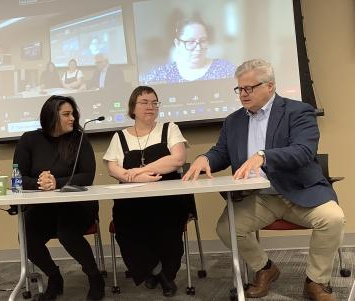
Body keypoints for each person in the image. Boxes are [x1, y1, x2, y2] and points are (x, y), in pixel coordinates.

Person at [183, 59, 345, 301]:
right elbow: (222, 152)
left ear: (270, 86)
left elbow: (303, 150)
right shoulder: (233, 121)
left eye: (250, 88)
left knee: (333, 219)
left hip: (298, 192)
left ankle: (316, 281)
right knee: (226, 229)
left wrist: (264, 156)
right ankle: (266, 268)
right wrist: (205, 158)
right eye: (240, 89)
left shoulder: (298, 111)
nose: (243, 94)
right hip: (258, 197)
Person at [13, 95, 105, 301]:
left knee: (67, 234)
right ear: (51, 116)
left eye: (73, 114)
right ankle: (54, 277)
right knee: (26, 238)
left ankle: (95, 276)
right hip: (43, 208)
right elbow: (17, 178)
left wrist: (57, 182)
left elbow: (87, 176)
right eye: (66, 114)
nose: (72, 118)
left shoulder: (79, 138)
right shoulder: (29, 140)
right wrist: (39, 182)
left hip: (76, 205)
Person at [103, 86, 192, 297]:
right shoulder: (120, 136)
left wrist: (140, 171)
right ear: (132, 108)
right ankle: (158, 272)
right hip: (131, 201)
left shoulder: (169, 129)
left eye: (154, 102)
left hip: (167, 199)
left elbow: (178, 159)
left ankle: (163, 273)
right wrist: (132, 177)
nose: (150, 106)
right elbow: (112, 167)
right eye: (144, 102)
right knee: (126, 229)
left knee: (167, 227)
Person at [140, 18, 235, 84]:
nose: (198, 48)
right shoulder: (161, 74)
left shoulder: (226, 69)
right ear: (177, 44)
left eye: (203, 41)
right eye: (190, 42)